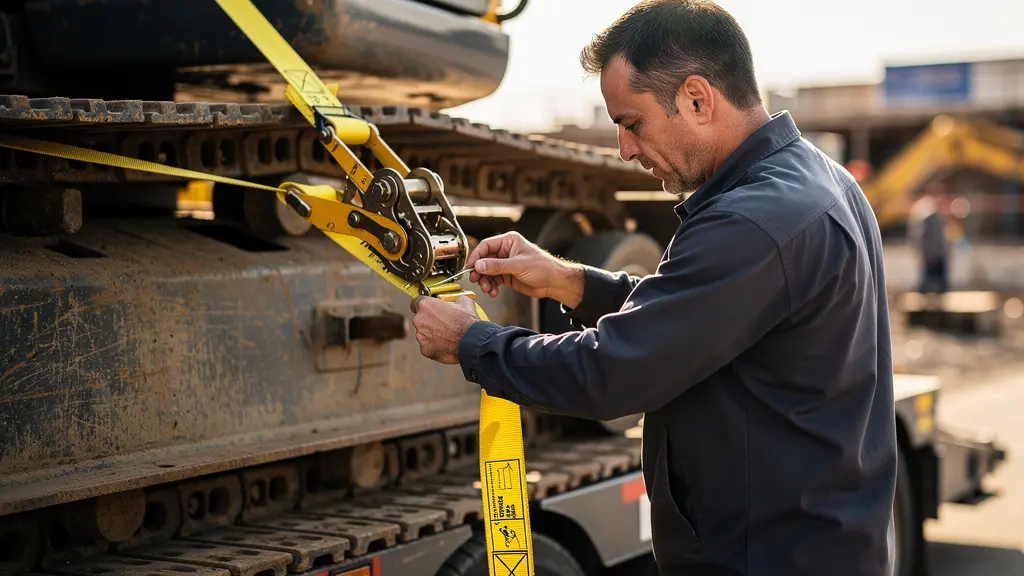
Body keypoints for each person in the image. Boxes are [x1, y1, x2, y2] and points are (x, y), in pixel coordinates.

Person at [409, 1, 898, 574]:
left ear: (696, 98)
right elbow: (704, 316)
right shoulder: (815, 179)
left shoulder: (753, 221)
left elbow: (613, 373)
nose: (624, 150)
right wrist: (571, 280)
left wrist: (471, 343)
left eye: (631, 123)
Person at [908, 186, 950, 293]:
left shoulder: (936, 217)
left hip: (936, 253)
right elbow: (921, 236)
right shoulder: (928, 217)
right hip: (931, 254)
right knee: (929, 281)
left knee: (937, 282)